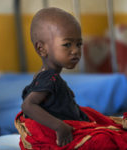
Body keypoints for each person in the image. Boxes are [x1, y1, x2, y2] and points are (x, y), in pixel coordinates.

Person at [15, 7, 127, 150]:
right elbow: (28, 105)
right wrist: (60, 127)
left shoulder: (47, 76)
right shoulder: (49, 78)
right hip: (58, 132)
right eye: (67, 44)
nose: (75, 51)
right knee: (104, 140)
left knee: (89, 112)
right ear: (42, 48)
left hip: (70, 120)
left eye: (78, 44)